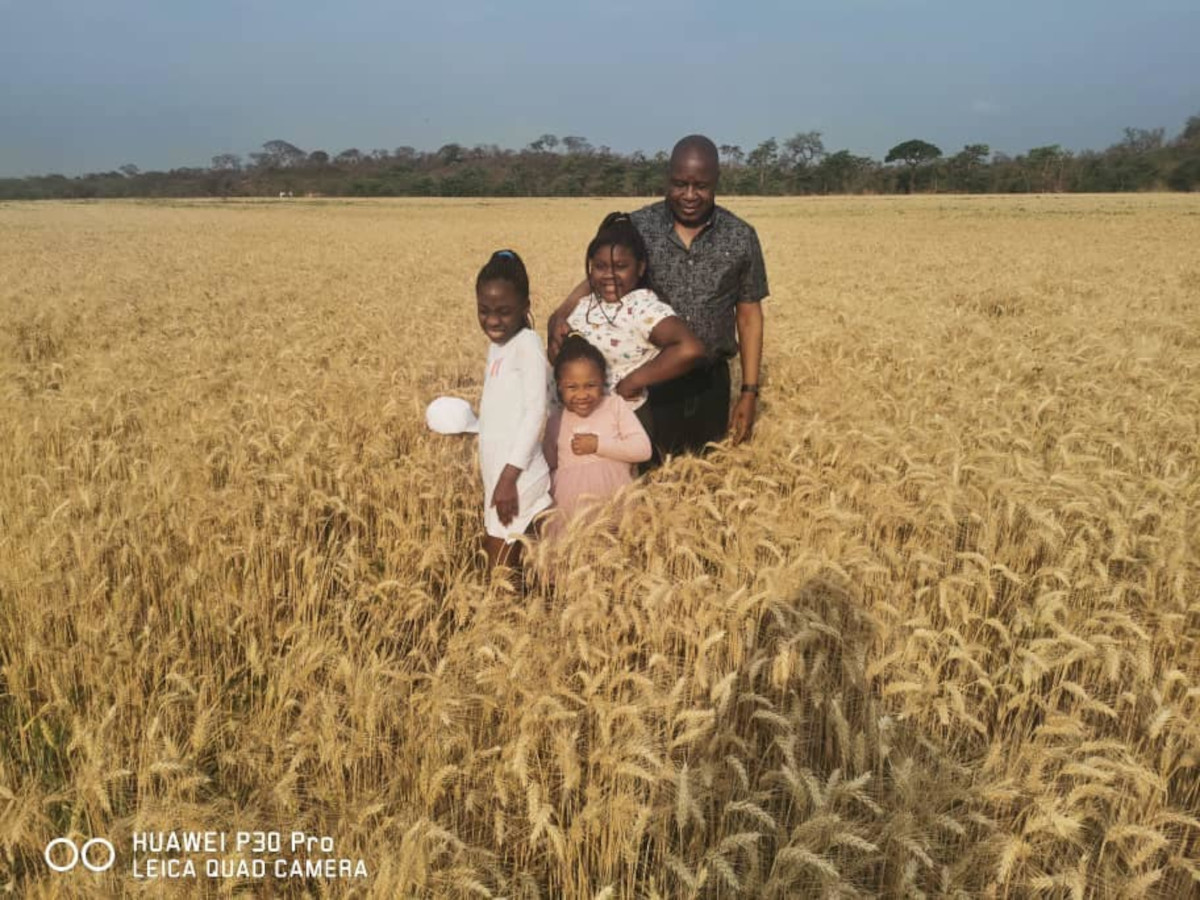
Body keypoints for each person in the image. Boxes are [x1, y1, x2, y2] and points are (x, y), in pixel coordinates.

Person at [548, 135, 768, 453]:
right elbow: (602, 275)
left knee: (703, 473)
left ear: (717, 181)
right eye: (680, 184)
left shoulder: (741, 237)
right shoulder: (639, 226)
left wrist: (748, 391)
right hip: (650, 382)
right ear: (667, 178)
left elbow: (749, 318)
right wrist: (561, 312)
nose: (689, 195)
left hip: (710, 383)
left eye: (701, 186)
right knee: (645, 473)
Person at [563, 211, 705, 452]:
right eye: (600, 267)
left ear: (640, 268)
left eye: (620, 266)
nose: (609, 275)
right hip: (579, 422)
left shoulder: (641, 306)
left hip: (623, 426)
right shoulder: (586, 303)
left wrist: (633, 381)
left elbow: (690, 349)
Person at [475, 249, 552, 572]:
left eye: (504, 311)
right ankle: (509, 617)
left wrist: (507, 478)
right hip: (499, 471)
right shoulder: (498, 345)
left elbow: (536, 413)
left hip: (518, 474)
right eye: (484, 310)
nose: (493, 320)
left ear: (525, 307)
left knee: (504, 563)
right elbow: (502, 409)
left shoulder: (528, 346)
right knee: (504, 558)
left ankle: (508, 619)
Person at [543, 334, 652, 536]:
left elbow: (643, 450)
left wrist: (598, 445)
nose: (582, 395)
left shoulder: (614, 406)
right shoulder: (555, 421)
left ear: (602, 380)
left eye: (590, 385)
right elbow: (548, 466)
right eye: (572, 387)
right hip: (572, 514)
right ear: (559, 386)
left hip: (616, 504)